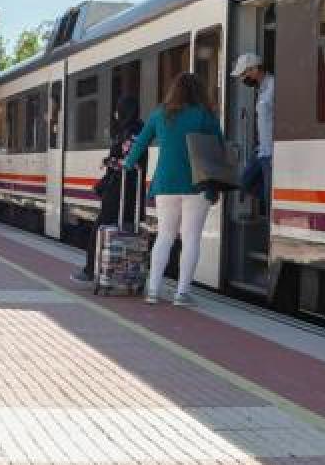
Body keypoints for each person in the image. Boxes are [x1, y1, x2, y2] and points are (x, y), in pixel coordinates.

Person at [124, 72, 223, 306]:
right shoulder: (205, 115)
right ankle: (181, 294)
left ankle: (153, 291)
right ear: (199, 92)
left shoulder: (160, 113)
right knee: (191, 238)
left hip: (165, 184)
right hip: (197, 184)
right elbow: (218, 149)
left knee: (165, 236)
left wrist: (128, 164)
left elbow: (140, 142)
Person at [72, 95, 144, 283]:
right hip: (132, 191)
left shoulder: (130, 132)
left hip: (120, 191)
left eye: (118, 110)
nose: (115, 114)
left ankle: (91, 270)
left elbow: (126, 161)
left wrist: (108, 161)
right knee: (127, 231)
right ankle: (125, 275)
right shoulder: (138, 129)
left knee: (100, 229)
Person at [232, 52, 274, 209]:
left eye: (244, 74)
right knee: (244, 183)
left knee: (269, 197)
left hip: (270, 152)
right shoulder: (262, 89)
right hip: (261, 150)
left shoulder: (273, 86)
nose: (242, 79)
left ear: (255, 69)